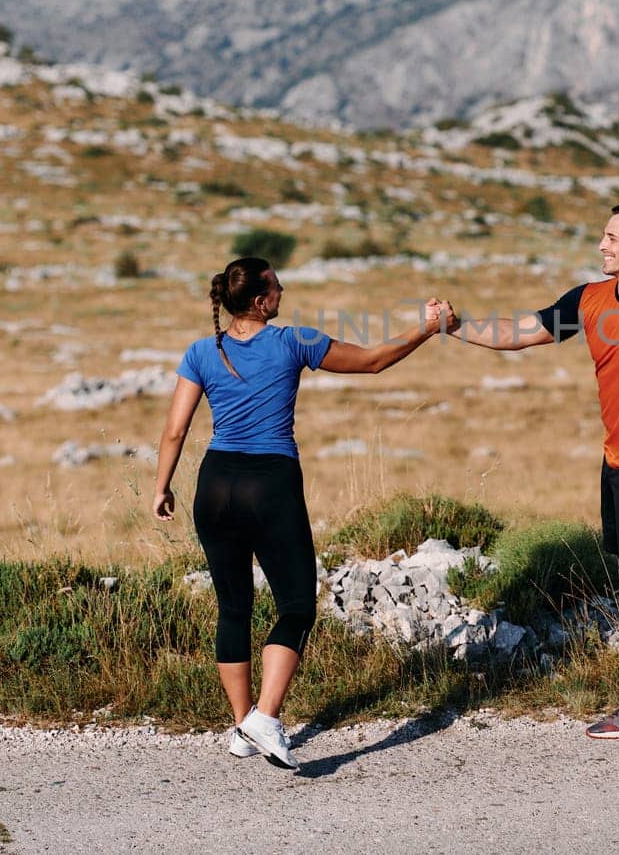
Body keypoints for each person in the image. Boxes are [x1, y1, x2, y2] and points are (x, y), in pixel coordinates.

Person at [152, 255, 455, 769]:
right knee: (296, 605)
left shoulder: (203, 351)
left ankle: (243, 725)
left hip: (215, 484)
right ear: (258, 300)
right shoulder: (295, 342)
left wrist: (161, 486)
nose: (283, 290)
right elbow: (375, 360)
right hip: (269, 483)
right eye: (276, 285)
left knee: (233, 608)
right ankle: (266, 717)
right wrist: (427, 329)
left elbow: (176, 430)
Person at [455, 201, 619, 738]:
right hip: (617, 457)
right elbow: (520, 332)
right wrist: (454, 327)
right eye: (603, 236)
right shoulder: (591, 299)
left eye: (612, 237)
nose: (602, 245)